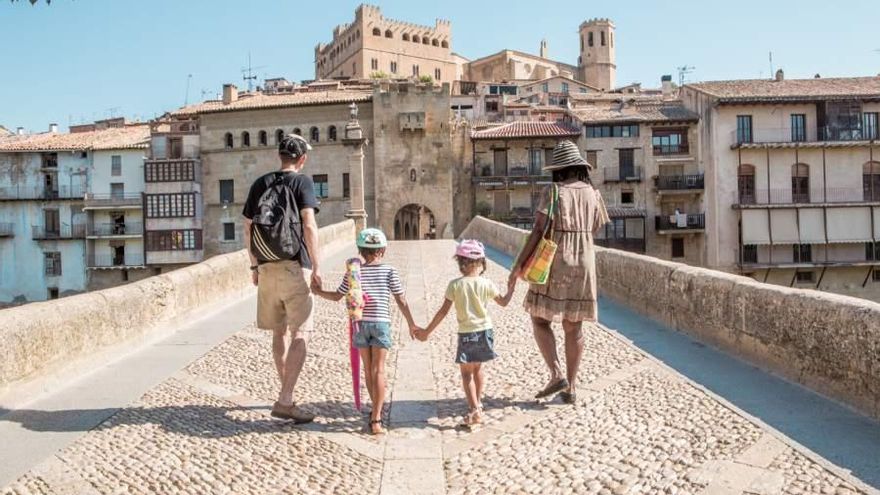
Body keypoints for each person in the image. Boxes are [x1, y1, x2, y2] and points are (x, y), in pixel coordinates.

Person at [509, 140, 610, 405]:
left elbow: (538, 230)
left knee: (539, 318)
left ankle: (556, 374)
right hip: (585, 263)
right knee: (574, 326)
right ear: (579, 167)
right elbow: (596, 226)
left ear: (558, 169)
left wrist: (519, 264)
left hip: (557, 261)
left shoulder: (554, 192)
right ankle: (571, 387)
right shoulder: (593, 193)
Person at [242, 134, 321, 424]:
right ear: (302, 159)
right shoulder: (302, 183)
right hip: (294, 265)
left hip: (266, 268)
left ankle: (286, 392)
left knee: (279, 332)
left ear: (280, 156)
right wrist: (317, 267)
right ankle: (286, 399)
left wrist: (254, 266)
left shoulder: (259, 183)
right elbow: (309, 226)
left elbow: (247, 228)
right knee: (301, 332)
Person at [311, 228, 419, 435]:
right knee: (379, 370)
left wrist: (317, 291)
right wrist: (411, 323)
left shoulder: (354, 272)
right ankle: (377, 418)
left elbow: (337, 296)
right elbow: (401, 299)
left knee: (368, 370)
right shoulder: (389, 270)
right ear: (383, 250)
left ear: (360, 251)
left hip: (359, 324)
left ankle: (374, 409)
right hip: (380, 324)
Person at [416, 240, 515, 427]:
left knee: (466, 374)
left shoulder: (455, 285)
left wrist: (426, 332)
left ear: (461, 263)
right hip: (485, 331)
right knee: (478, 369)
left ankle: (474, 410)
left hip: (467, 334)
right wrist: (511, 288)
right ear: (482, 263)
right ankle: (478, 402)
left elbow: (443, 312)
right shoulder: (486, 283)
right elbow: (503, 302)